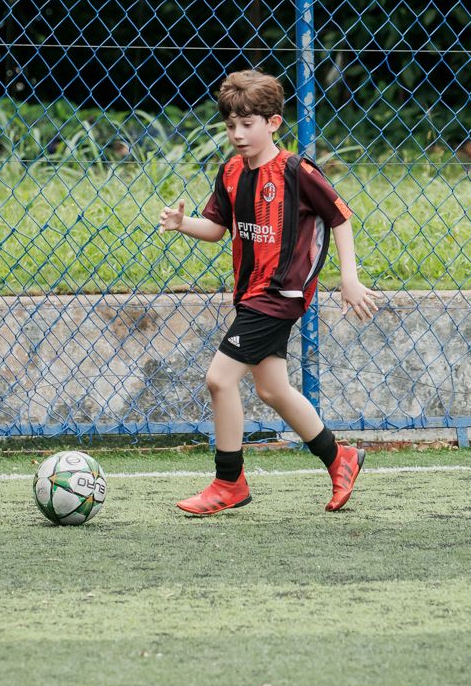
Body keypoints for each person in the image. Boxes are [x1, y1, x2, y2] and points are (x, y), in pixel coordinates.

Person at [159, 68, 380, 515]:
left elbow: (340, 217)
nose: (238, 134)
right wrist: (184, 225)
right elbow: (219, 228)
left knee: (219, 380)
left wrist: (349, 278)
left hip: (279, 296)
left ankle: (228, 483)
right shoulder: (231, 172)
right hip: (251, 294)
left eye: (248, 124)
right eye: (230, 125)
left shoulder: (297, 171)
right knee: (273, 389)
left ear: (273, 123)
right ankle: (341, 458)